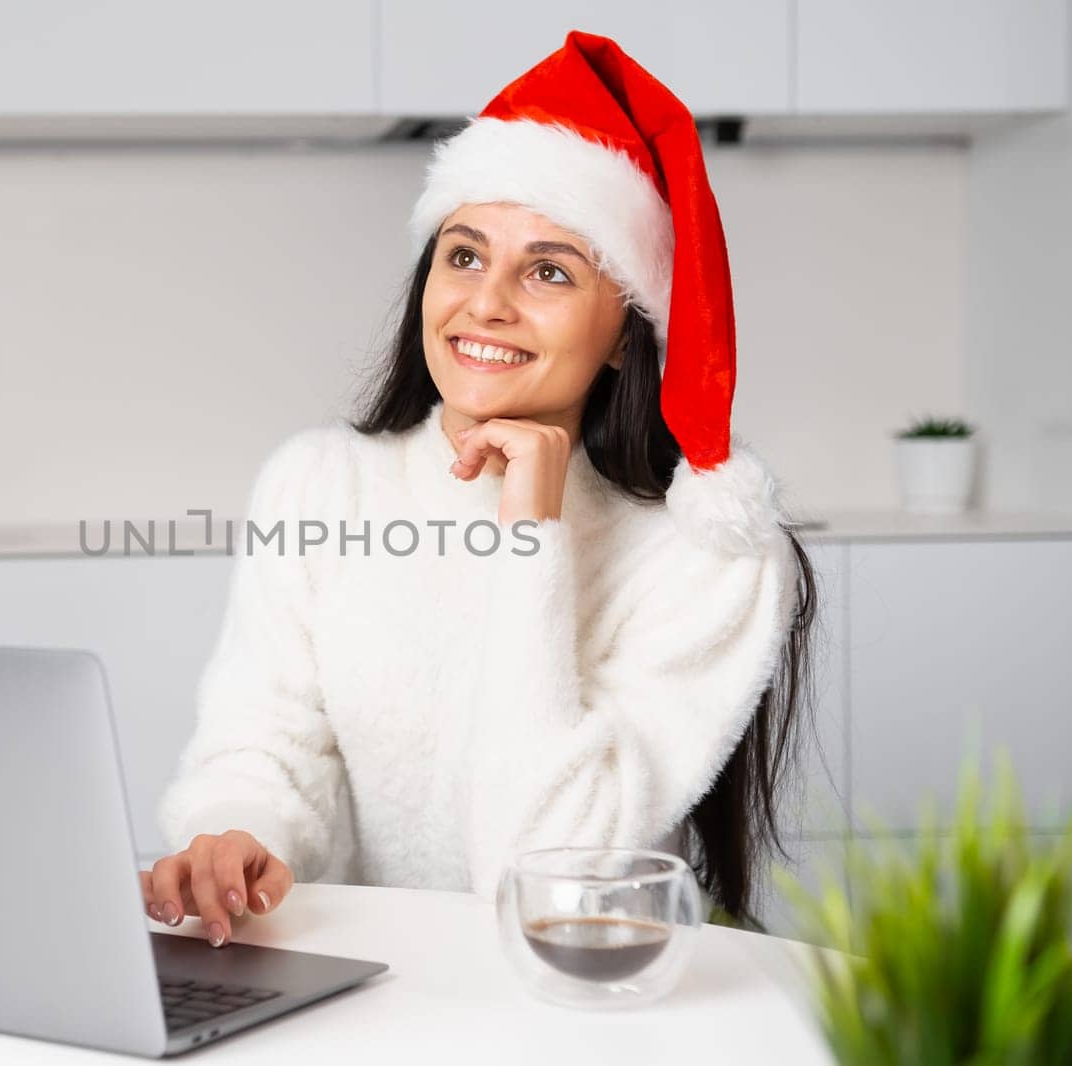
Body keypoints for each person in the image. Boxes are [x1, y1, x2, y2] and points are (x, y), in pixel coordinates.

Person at [141, 30, 817, 949]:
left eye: (548, 270)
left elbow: (539, 875)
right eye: (464, 255)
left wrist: (529, 534)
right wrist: (235, 840)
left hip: (583, 995)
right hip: (363, 990)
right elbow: (264, 746)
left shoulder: (709, 553)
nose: (486, 303)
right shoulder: (319, 484)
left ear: (626, 333)